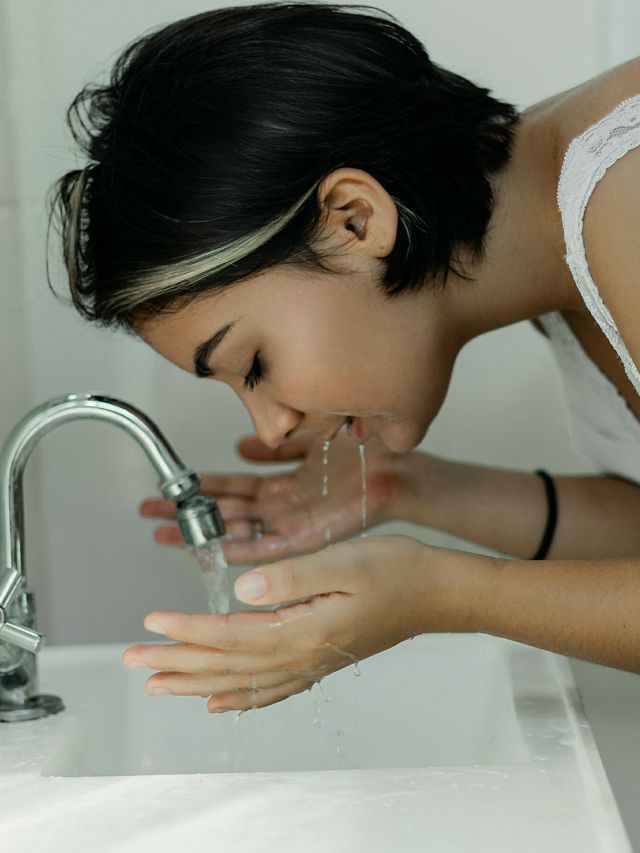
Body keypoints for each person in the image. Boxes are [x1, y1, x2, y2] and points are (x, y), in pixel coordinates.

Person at [47, 2, 640, 714]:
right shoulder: (557, 242)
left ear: (356, 218)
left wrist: (443, 592)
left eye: (254, 363)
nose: (273, 427)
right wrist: (407, 488)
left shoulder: (627, 193)